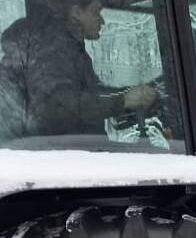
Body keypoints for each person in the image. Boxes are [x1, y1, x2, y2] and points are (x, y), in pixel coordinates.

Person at [0, 0, 156, 141]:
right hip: (63, 157)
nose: (101, 20)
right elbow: (56, 106)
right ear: (76, 13)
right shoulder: (54, 47)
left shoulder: (68, 47)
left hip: (71, 152)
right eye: (96, 12)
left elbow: (85, 93)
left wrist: (129, 94)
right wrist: (123, 101)